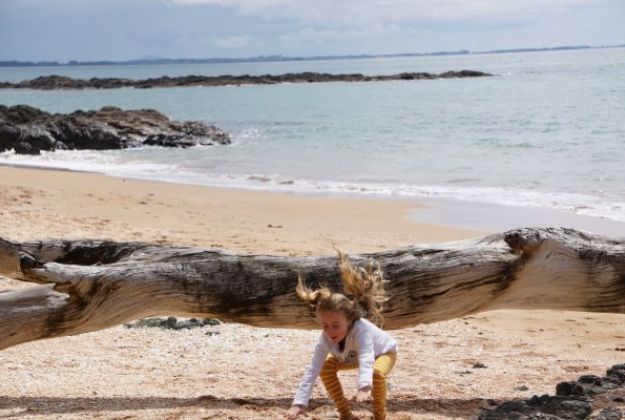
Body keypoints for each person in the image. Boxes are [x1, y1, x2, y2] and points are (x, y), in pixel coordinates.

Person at [286, 252, 398, 420]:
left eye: (336, 326)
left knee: (376, 373)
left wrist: (364, 386)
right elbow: (312, 370)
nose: (330, 331)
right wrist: (299, 403)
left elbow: (367, 356)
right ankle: (346, 414)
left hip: (382, 353)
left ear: (349, 319)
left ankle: (380, 415)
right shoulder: (326, 337)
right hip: (351, 355)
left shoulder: (361, 329)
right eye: (325, 326)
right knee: (325, 367)